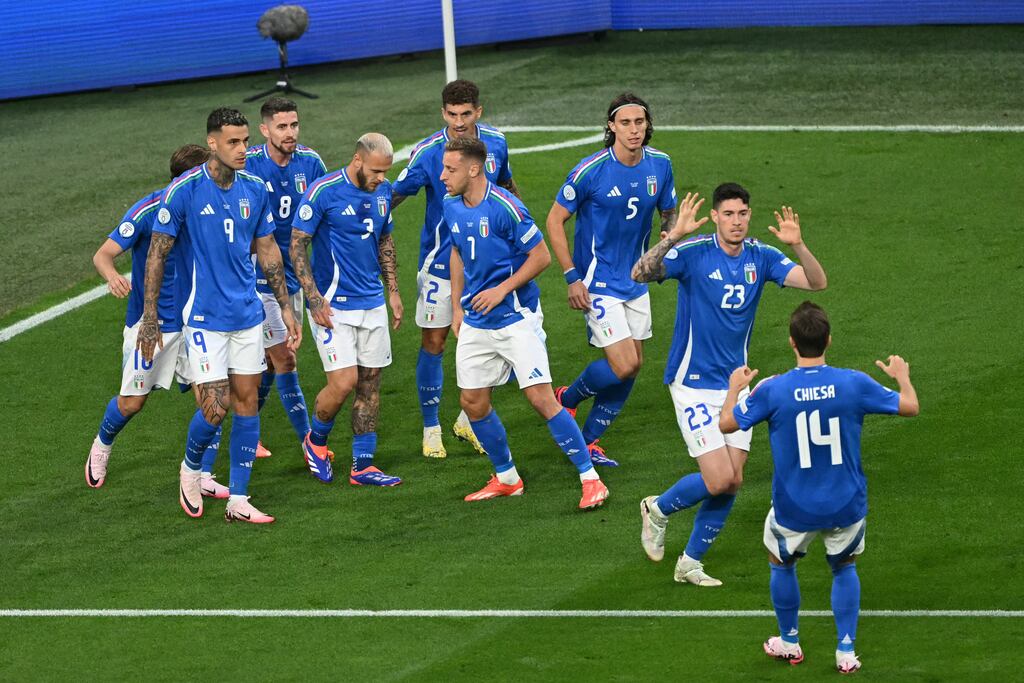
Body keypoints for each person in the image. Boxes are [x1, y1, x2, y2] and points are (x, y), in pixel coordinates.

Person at [634, 186, 827, 585]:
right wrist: (673, 236)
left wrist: (799, 244)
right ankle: (657, 509)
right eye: (728, 214)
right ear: (717, 217)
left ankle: (690, 561)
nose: (736, 221)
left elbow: (816, 283)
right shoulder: (695, 253)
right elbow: (639, 273)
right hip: (692, 382)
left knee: (734, 479)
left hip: (735, 385)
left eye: (742, 214)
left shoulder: (762, 256)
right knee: (719, 478)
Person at [719, 301, 919, 674]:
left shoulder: (772, 390)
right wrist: (902, 377)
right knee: (844, 568)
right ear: (828, 339)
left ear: (792, 343)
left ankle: (789, 641)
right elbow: (910, 406)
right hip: (846, 503)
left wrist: (735, 389)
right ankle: (846, 651)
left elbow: (728, 424)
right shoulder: (853, 383)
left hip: (795, 507)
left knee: (781, 563)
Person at [139, 107, 300, 524]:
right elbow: (156, 256)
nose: (243, 149)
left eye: (246, 140)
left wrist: (285, 306)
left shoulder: (255, 188)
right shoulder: (185, 191)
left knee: (248, 403)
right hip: (205, 319)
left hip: (247, 314)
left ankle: (239, 500)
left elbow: (268, 249)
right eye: (233, 142)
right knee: (216, 406)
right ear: (212, 143)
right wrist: (151, 317)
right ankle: (191, 470)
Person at [441, 136, 609, 510]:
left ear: (474, 168)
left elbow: (541, 256)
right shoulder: (451, 207)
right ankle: (507, 478)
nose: (442, 176)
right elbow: (456, 250)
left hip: (517, 316)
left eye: (450, 169)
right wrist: (455, 306)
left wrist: (501, 290)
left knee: (540, 398)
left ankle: (590, 479)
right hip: (476, 319)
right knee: (473, 402)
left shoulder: (506, 208)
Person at [86, 144, 227, 494]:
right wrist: (113, 276)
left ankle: (201, 475)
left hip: (197, 321)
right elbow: (103, 255)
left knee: (213, 400)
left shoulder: (207, 207)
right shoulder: (150, 210)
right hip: (152, 325)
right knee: (132, 403)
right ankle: (102, 445)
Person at [546, 92, 677, 467]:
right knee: (623, 365)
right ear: (611, 126)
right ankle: (567, 399)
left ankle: (588, 441)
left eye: (640, 122)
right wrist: (572, 277)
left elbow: (668, 213)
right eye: (626, 123)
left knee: (634, 365)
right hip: (597, 280)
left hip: (636, 280)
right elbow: (555, 221)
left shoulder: (661, 165)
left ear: (647, 125)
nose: (634, 130)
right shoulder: (591, 170)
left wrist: (663, 253)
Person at [391, 79, 520, 459]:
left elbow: (507, 186)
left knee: (489, 343)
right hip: (439, 264)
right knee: (434, 342)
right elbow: (396, 192)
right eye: (452, 114)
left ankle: (467, 419)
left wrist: (515, 231)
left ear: (478, 111)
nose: (459, 122)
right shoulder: (429, 152)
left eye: (466, 114)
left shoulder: (494, 143)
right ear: (443, 113)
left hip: (487, 266)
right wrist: (367, 223)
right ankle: (431, 428)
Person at [291, 133, 404, 487]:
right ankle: (317, 441)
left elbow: (385, 238)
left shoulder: (383, 192)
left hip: (372, 304)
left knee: (370, 384)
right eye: (376, 171)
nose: (381, 178)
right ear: (357, 161)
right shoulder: (323, 192)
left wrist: (394, 290)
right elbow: (297, 245)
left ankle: (363, 466)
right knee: (343, 383)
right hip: (333, 306)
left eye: (386, 172)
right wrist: (312, 298)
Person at [244, 97, 327, 458]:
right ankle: (310, 442)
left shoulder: (311, 162)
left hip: (295, 275)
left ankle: (248, 431)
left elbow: (324, 215)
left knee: (268, 361)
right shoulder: (248, 167)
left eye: (294, 125)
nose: (290, 132)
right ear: (265, 130)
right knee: (286, 358)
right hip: (257, 278)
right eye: (282, 126)